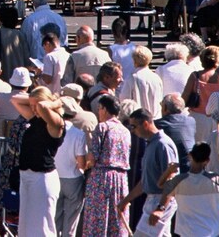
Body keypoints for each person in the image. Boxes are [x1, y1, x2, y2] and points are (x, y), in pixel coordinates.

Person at [151, 142, 219, 236]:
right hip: (211, 233)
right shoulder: (216, 180)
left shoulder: (179, 181)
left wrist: (169, 170)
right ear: (207, 160)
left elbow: (160, 184)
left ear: (190, 156)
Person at [10, 86, 66, 236]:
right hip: (26, 176)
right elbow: (15, 100)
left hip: (42, 177)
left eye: (36, 105)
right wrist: (34, 100)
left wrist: (56, 103)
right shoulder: (35, 118)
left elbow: (42, 106)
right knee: (25, 227)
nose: (33, 108)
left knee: (42, 227)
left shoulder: (55, 122)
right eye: (31, 105)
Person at [118, 108, 180, 237]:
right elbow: (145, 181)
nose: (132, 131)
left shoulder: (163, 144)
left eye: (134, 126)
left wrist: (160, 208)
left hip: (160, 201)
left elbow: (172, 179)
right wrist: (125, 201)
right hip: (153, 200)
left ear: (145, 124)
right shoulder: (151, 144)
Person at [81, 94, 132, 237]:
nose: (98, 112)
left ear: (104, 109)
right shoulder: (125, 130)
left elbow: (93, 156)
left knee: (98, 215)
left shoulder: (102, 127)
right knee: (116, 217)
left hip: (102, 177)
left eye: (99, 109)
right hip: (121, 178)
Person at [54, 94, 89, 237]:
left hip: (54, 177)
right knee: (71, 221)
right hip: (73, 178)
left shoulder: (51, 130)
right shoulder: (78, 134)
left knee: (54, 218)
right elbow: (81, 163)